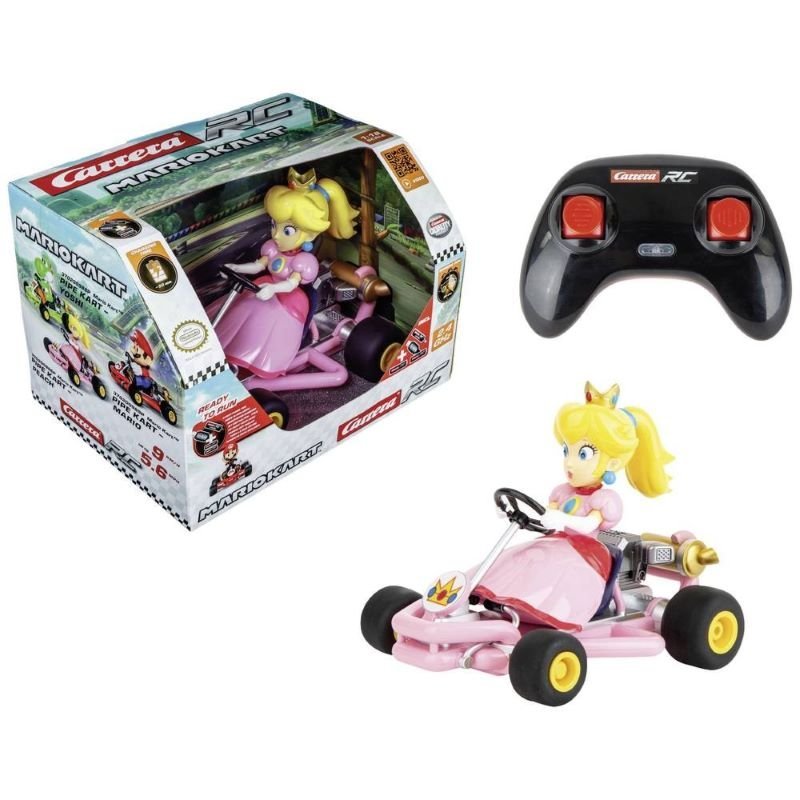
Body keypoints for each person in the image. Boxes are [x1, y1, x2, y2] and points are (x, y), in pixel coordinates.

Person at [214, 166, 358, 377]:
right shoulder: (272, 248)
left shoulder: (303, 261)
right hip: (264, 287)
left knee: (266, 320)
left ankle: (253, 363)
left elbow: (291, 284)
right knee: (241, 307)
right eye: (275, 225)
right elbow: (258, 265)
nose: (276, 235)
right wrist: (236, 268)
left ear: (309, 235)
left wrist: (273, 289)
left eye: (287, 230)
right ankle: (222, 350)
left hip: (289, 299)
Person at [541, 381, 674, 537]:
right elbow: (545, 515)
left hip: (586, 549)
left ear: (612, 463)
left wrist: (561, 518)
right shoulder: (563, 493)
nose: (569, 462)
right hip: (559, 543)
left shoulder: (604, 500)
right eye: (566, 451)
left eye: (583, 454)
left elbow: (587, 525)